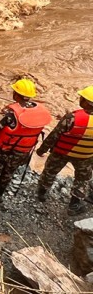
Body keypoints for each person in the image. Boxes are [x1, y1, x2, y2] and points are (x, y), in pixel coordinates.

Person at [35, 86, 93, 215]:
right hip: (85, 156)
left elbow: (54, 136)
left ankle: (42, 193)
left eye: (82, 98)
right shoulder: (71, 117)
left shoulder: (71, 117)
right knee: (82, 179)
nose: (80, 99)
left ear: (86, 102)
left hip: (62, 152)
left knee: (50, 172)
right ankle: (74, 205)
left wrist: (41, 150)